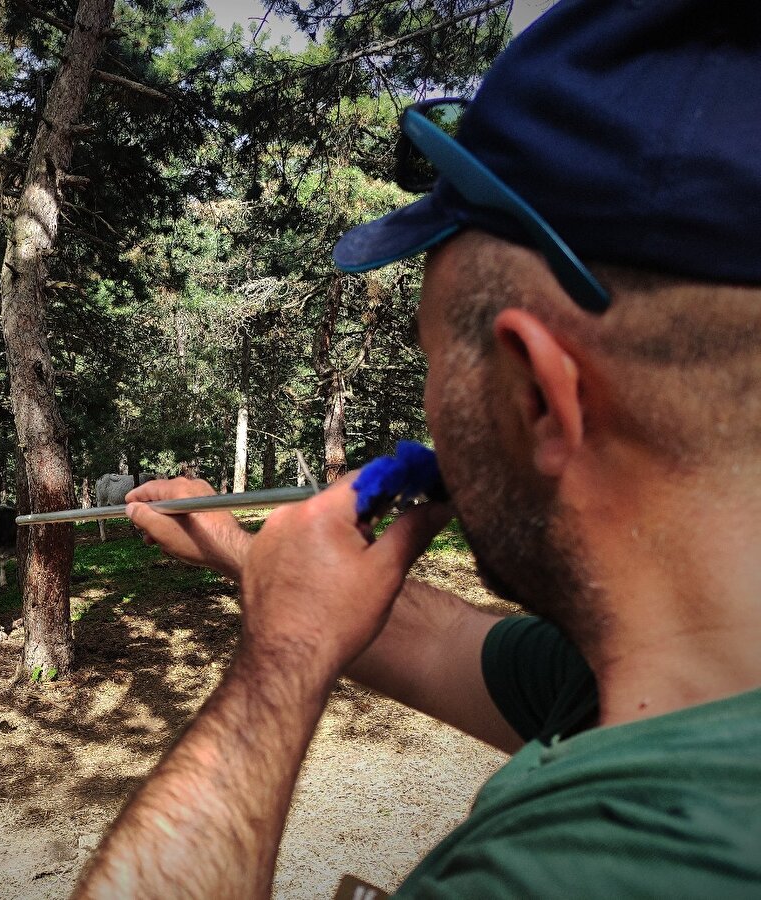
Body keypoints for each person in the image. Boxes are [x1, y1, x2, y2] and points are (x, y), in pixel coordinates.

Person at [73, 0, 761, 896]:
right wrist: (236, 549)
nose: (431, 410)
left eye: (436, 358)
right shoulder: (667, 668)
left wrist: (278, 664)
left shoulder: (585, 871)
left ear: (541, 396)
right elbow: (444, 646)